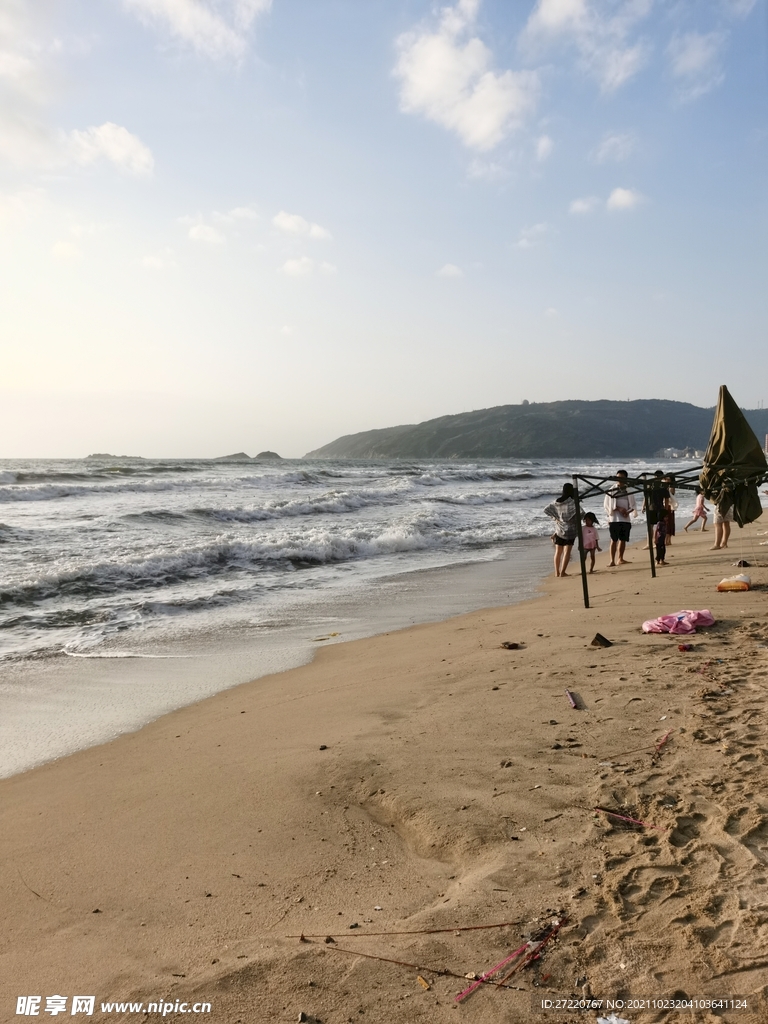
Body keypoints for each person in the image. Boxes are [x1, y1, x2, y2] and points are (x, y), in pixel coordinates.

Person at [544, 483, 578, 577]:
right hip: (570, 530)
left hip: (559, 530)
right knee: (567, 552)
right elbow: (581, 513)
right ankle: (563, 572)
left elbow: (546, 510)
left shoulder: (557, 502)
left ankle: (556, 572)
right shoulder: (572, 502)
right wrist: (573, 520)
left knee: (558, 552)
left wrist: (556, 518)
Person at [603, 470, 636, 567]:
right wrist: (618, 508)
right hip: (614, 519)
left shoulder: (628, 490)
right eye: (618, 478)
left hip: (625, 519)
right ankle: (612, 560)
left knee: (623, 539)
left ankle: (620, 558)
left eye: (621, 478)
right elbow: (606, 504)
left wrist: (627, 511)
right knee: (614, 540)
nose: (619, 480)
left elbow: (633, 505)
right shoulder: (612, 490)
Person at [642, 471, 670, 550]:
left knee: (652, 527)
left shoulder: (650, 484)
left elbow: (646, 497)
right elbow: (666, 499)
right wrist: (666, 509)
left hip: (653, 508)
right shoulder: (663, 485)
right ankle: (654, 542)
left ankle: (650, 543)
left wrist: (643, 506)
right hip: (658, 508)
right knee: (658, 527)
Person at [663, 474, 677, 545]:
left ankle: (667, 540)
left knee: (668, 523)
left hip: (669, 506)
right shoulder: (669, 487)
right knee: (669, 523)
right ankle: (668, 540)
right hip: (669, 506)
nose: (667, 480)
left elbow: (669, 498)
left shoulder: (670, 487)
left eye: (668, 479)